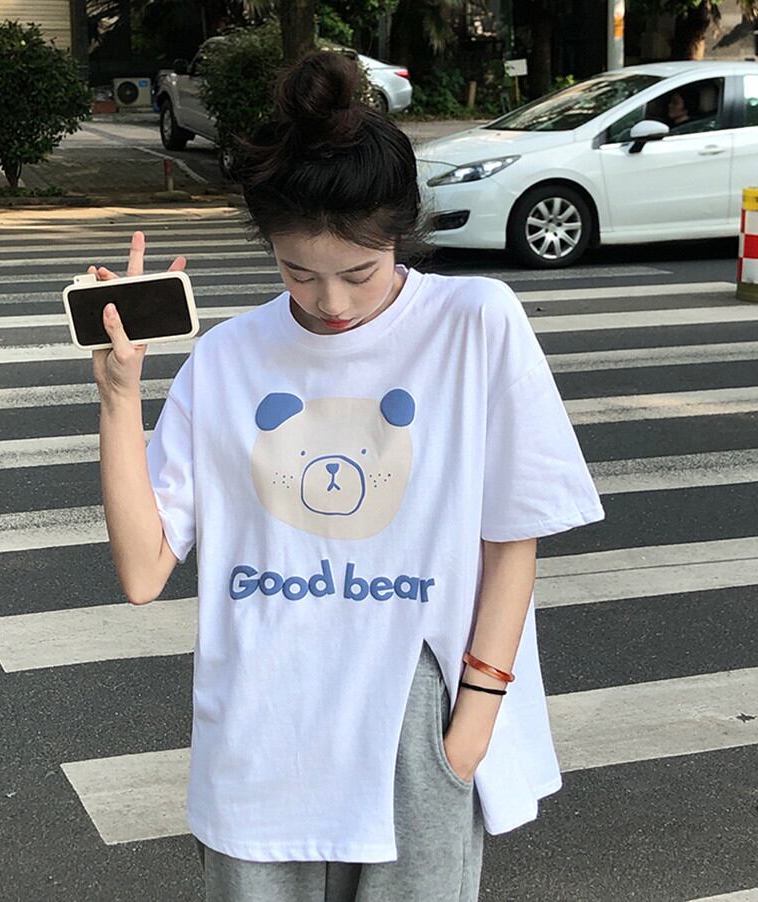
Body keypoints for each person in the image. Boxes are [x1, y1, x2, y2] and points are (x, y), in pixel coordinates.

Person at [91, 49, 605, 901]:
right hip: (263, 730)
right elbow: (144, 572)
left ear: (399, 233)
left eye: (358, 273)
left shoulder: (474, 322)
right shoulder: (226, 359)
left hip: (415, 717)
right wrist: (118, 397)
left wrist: (470, 728)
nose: (330, 302)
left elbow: (512, 538)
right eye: (298, 272)